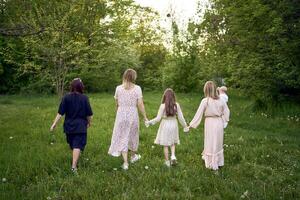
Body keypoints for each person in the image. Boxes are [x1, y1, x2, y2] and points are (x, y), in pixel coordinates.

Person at [50, 78, 93, 173]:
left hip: (69, 126)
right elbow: (89, 114)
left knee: (75, 145)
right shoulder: (84, 98)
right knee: (76, 145)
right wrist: (89, 122)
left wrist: (54, 124)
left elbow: (60, 113)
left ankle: (74, 166)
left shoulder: (66, 97)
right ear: (81, 87)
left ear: (72, 86)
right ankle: (75, 162)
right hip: (80, 126)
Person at [108, 69, 147, 170]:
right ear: (134, 77)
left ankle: (125, 163)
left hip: (121, 114)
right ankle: (133, 156)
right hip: (132, 115)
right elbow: (140, 104)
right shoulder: (137, 88)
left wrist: (119, 114)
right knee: (133, 135)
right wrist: (145, 117)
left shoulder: (118, 88)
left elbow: (117, 104)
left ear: (124, 76)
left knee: (123, 137)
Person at [188, 81, 230, 170]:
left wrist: (191, 124)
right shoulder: (221, 100)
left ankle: (212, 163)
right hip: (219, 122)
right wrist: (225, 120)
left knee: (211, 142)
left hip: (210, 123)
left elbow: (198, 114)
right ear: (215, 89)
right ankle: (218, 162)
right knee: (217, 142)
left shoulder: (205, 101)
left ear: (206, 90)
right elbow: (226, 111)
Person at [146, 88, 188, 167]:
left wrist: (149, 122)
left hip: (165, 124)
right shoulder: (176, 105)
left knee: (165, 144)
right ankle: (173, 156)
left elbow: (158, 119)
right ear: (173, 96)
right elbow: (181, 118)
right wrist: (185, 126)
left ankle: (167, 161)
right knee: (172, 142)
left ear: (164, 96)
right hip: (174, 124)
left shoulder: (162, 106)